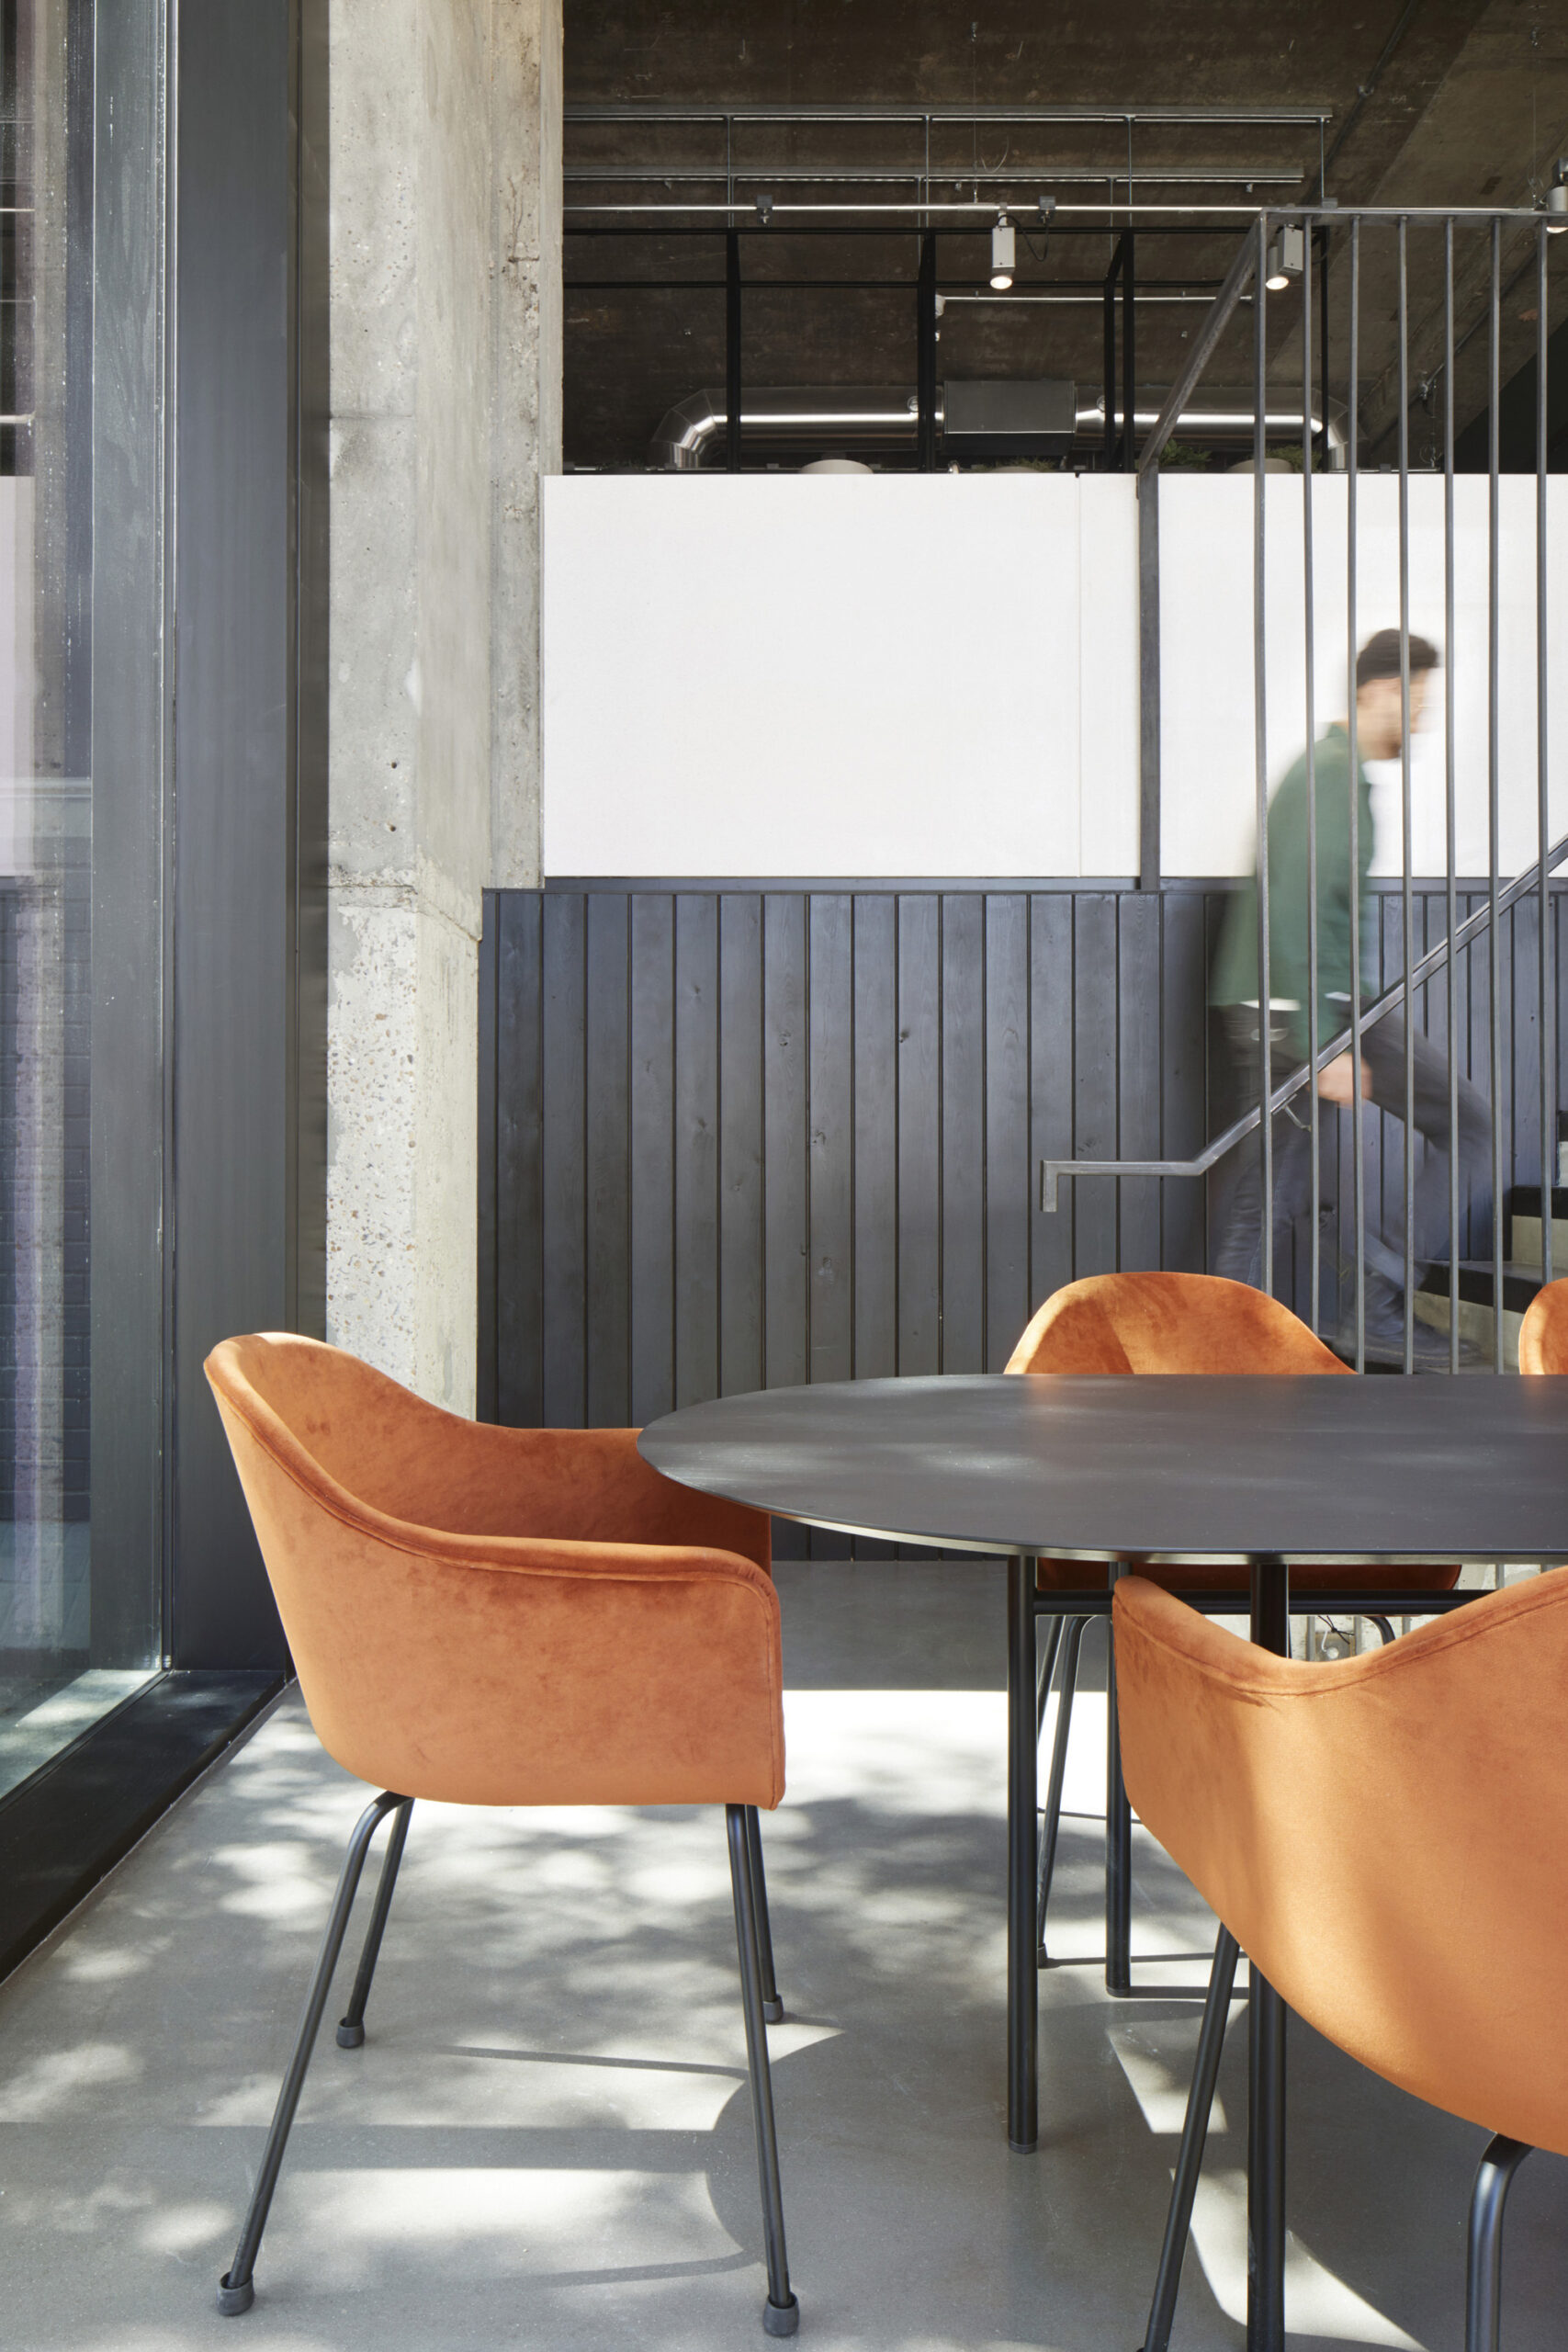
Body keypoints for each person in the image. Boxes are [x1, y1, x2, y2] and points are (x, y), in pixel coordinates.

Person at [1209, 628, 1491, 1366]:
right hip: (1301, 1016)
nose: (1423, 719)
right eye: (1417, 700)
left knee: (1275, 1190)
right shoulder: (1326, 780)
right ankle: (1228, 1345)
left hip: (1336, 1010)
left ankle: (1374, 1296)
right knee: (1270, 1193)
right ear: (1377, 693)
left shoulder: (1339, 777)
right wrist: (1318, 1047)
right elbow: (1296, 909)